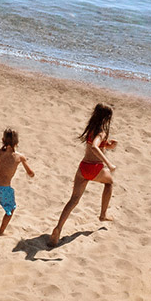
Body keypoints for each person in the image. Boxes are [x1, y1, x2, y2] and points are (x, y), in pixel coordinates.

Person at [49, 103, 118, 246]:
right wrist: (109, 163)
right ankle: (103, 214)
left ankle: (58, 228)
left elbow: (95, 144)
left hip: (83, 168)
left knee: (73, 200)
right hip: (95, 168)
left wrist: (107, 146)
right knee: (109, 182)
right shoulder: (101, 132)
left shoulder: (91, 129)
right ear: (106, 118)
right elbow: (94, 147)